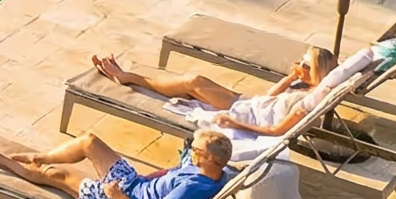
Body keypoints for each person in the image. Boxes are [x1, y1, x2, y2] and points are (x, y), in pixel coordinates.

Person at [0, 127, 233, 199]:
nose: (191, 152)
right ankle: (42, 156)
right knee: (89, 141)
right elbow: (187, 160)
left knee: (57, 176)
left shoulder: (191, 188)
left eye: (195, 151)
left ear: (209, 158)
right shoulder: (214, 168)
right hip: (136, 185)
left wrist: (118, 197)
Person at [90, 46, 335, 136]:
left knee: (192, 83)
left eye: (306, 65)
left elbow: (277, 131)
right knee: (190, 87)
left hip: (240, 112)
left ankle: (128, 78)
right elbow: (270, 97)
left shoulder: (306, 102)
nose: (299, 67)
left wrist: (238, 125)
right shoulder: (302, 86)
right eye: (300, 62)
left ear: (319, 73)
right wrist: (293, 76)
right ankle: (130, 78)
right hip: (246, 103)